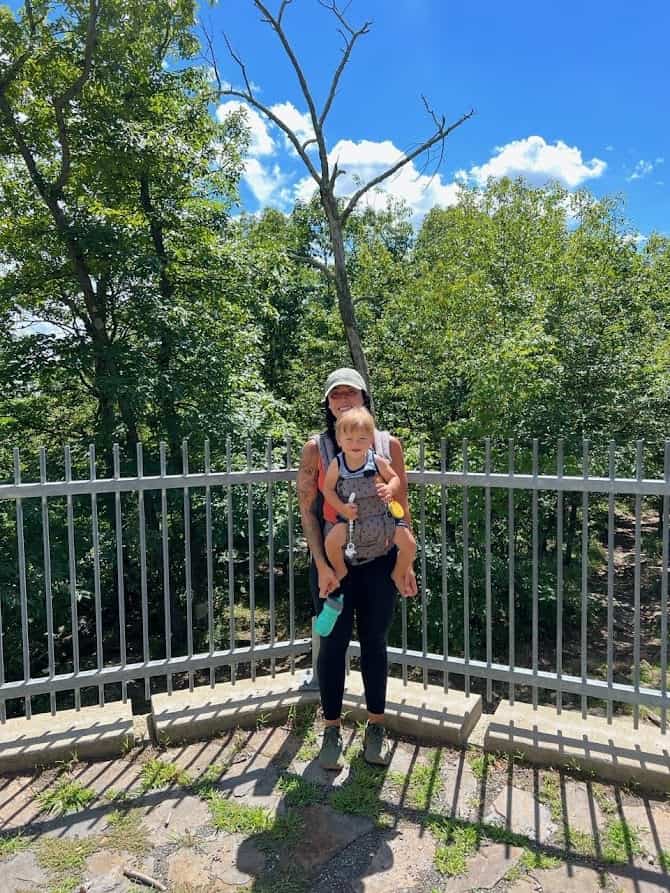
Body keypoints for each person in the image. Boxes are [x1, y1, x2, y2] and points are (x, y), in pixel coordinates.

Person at [297, 367, 417, 770]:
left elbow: (403, 504)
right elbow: (308, 510)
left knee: (374, 643)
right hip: (335, 567)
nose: (343, 401)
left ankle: (376, 726)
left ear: (365, 398)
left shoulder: (388, 445)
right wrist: (321, 565)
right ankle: (331, 729)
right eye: (336, 396)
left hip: (381, 562)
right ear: (328, 405)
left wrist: (406, 562)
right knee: (331, 645)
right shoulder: (317, 449)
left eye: (351, 394)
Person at [322, 406, 416, 594]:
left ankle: (397, 573)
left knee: (410, 545)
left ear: (370, 440)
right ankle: (341, 570)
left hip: (382, 517)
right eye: (349, 439)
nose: (355, 443)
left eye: (362, 439)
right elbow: (328, 490)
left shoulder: (377, 460)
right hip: (352, 519)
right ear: (340, 441)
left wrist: (390, 488)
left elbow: (395, 478)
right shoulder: (337, 464)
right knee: (331, 543)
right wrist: (342, 508)